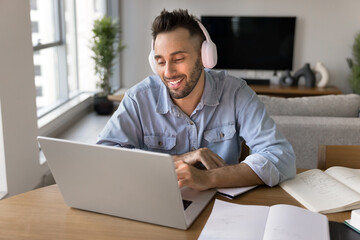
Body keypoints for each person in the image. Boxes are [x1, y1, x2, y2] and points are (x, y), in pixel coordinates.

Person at [97, 9, 296, 191]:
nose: (168, 72)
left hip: (220, 206)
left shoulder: (236, 93)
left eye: (178, 59)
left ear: (204, 57)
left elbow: (281, 157)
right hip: (156, 200)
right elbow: (103, 157)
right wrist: (180, 161)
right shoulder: (138, 99)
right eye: (160, 61)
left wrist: (208, 178)